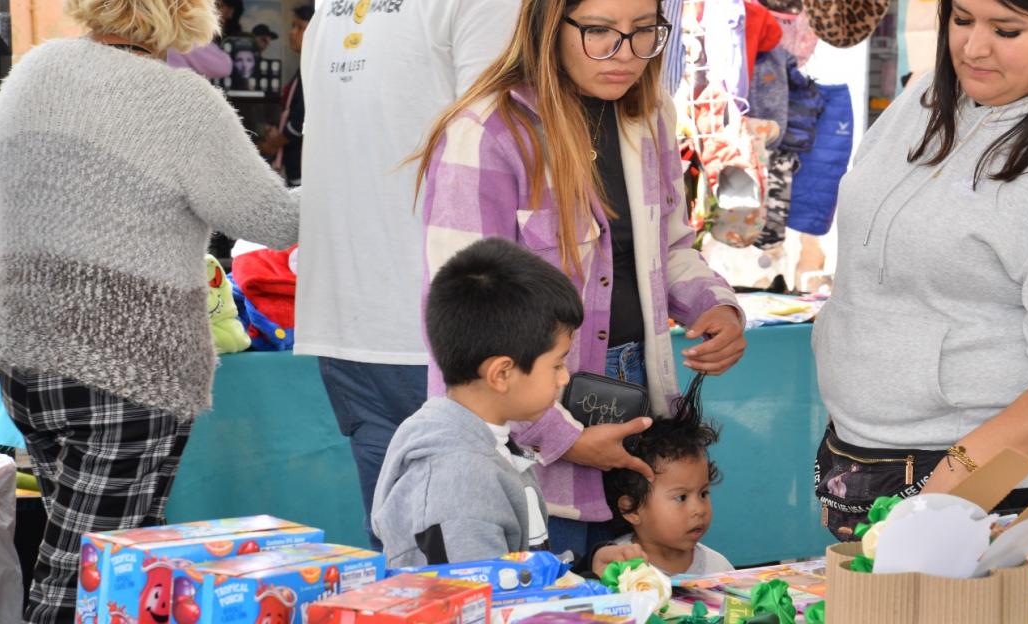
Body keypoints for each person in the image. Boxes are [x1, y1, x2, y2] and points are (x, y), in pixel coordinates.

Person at [812, 0, 1028, 538]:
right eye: (961, 20)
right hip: (862, 460)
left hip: (993, 490)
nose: (974, 48)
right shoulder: (927, 96)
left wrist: (959, 474)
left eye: (1005, 30)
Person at [0, 0, 299, 619]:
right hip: (126, 369)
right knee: (84, 574)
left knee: (113, 560)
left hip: (26, 359)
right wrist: (348, 181)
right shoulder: (181, 102)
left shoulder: (37, 69)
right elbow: (270, 220)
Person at [416, 0, 747, 561]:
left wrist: (714, 306)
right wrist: (560, 435)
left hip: (637, 409)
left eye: (644, 33)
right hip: (526, 431)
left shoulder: (649, 117)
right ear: (550, 23)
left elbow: (668, 250)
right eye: (599, 32)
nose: (625, 55)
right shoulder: (487, 133)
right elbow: (461, 323)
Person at [298, 0, 521, 550]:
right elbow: (507, 144)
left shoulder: (331, 9)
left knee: (412, 570)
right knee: (473, 571)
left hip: (367, 317)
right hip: (436, 325)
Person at [372, 238, 641, 574]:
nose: (563, 379)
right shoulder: (457, 482)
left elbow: (516, 573)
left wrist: (588, 568)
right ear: (501, 374)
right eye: (557, 365)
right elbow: (474, 599)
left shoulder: (492, 440)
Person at [603, 386, 734, 575]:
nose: (699, 510)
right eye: (681, 497)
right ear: (630, 508)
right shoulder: (616, 568)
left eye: (703, 493)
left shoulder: (719, 569)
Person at [258, 5, 310, 186]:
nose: (292, 33)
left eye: (300, 28)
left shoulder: (312, 70)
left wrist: (274, 143)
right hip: (294, 161)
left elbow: (299, 121)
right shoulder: (304, 67)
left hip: (301, 164)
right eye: (292, 26)